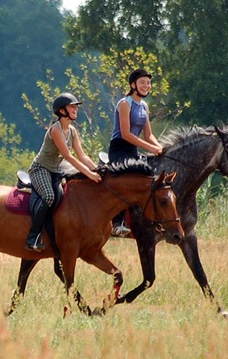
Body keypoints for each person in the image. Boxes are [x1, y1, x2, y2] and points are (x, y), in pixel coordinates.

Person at [26, 92, 102, 252]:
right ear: (62, 111)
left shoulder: (72, 131)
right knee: (48, 196)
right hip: (40, 169)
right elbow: (68, 156)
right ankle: (33, 237)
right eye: (72, 106)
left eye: (76, 106)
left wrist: (98, 169)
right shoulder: (55, 130)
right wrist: (89, 174)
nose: (75, 109)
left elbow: (82, 155)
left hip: (55, 171)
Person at [108, 68, 163, 236]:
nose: (146, 85)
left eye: (148, 82)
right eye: (142, 82)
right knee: (127, 181)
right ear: (133, 85)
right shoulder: (124, 103)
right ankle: (117, 222)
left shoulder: (144, 106)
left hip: (133, 150)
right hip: (119, 149)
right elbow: (126, 134)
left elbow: (149, 135)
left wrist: (160, 147)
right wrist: (150, 148)